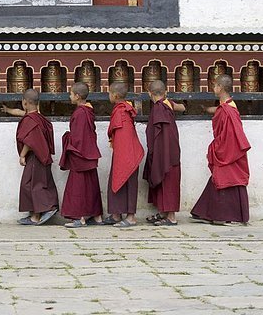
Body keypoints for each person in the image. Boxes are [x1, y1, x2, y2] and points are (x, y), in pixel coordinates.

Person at [191, 74, 251, 224]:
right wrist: (206, 109)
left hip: (229, 151)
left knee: (224, 179)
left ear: (221, 88)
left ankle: (223, 216)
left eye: (215, 85)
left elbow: (231, 135)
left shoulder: (228, 111)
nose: (213, 88)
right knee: (219, 180)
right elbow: (218, 110)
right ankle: (204, 212)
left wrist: (218, 149)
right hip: (228, 150)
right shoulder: (227, 106)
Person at [2, 89, 59, 226]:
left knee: (32, 185)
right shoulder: (39, 118)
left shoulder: (30, 120)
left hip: (35, 156)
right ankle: (37, 213)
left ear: (25, 103)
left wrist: (22, 155)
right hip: (43, 155)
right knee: (39, 183)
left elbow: (30, 140)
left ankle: (43, 211)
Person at [59, 82, 103, 228]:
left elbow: (77, 138)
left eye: (71, 93)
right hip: (90, 152)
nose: (69, 96)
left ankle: (79, 218)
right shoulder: (88, 111)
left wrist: (67, 138)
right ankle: (96, 216)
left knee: (77, 187)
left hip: (81, 154)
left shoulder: (79, 113)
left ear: (77, 96)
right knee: (91, 185)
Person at [143, 80, 185, 226]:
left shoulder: (159, 108)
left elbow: (159, 132)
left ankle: (171, 217)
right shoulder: (167, 104)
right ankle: (163, 213)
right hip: (170, 149)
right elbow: (182, 107)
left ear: (149, 93)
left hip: (165, 152)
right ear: (165, 92)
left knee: (168, 181)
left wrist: (159, 154)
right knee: (163, 181)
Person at [104, 82, 144, 228]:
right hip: (122, 152)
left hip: (128, 154)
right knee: (116, 179)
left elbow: (124, 136)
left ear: (115, 95)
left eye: (109, 93)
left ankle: (131, 217)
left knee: (129, 183)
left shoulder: (121, 112)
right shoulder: (122, 109)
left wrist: (124, 157)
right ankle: (116, 214)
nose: (108, 95)